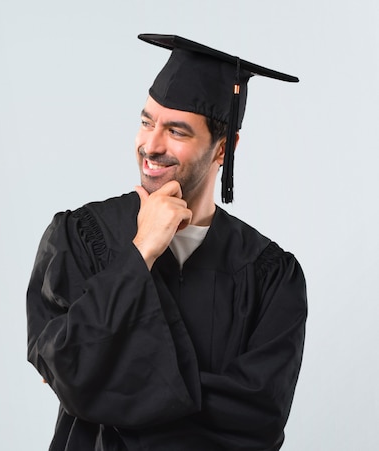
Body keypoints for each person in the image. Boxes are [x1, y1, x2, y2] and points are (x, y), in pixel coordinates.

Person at [26, 34, 307, 450]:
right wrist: (141, 252)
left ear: (222, 149)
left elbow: (259, 419)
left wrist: (108, 395)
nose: (151, 145)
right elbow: (66, 364)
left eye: (176, 131)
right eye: (146, 122)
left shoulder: (270, 275)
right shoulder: (81, 236)